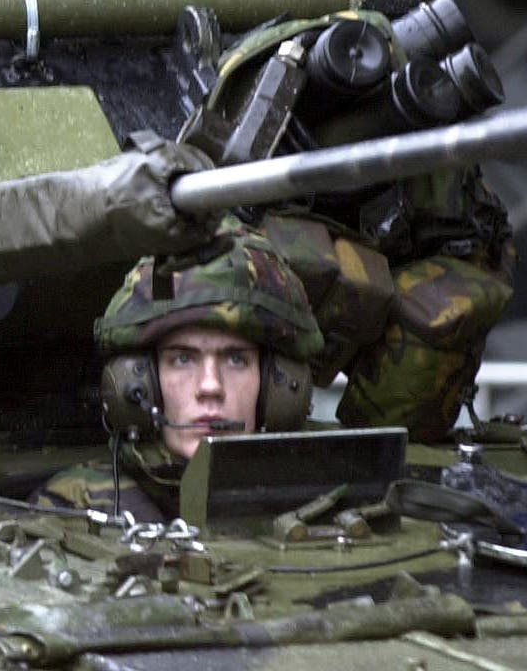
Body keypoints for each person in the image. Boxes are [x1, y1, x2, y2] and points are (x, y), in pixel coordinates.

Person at [36, 222, 323, 520]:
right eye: (182, 359)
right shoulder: (79, 506)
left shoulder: (329, 496)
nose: (210, 386)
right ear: (139, 383)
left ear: (278, 386)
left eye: (236, 360)